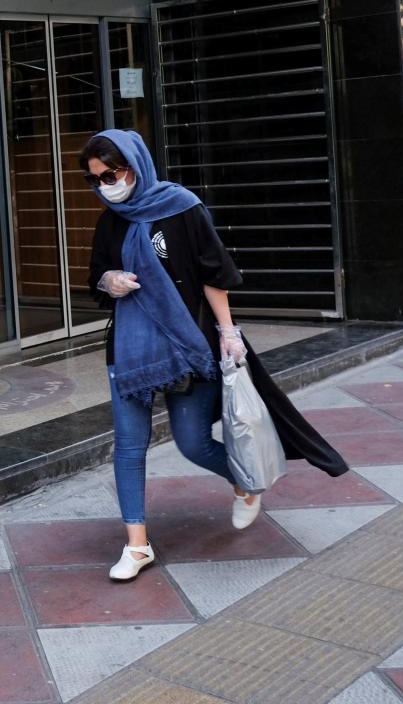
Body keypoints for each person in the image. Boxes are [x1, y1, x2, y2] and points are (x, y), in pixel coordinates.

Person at [82, 129, 348, 581]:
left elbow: (213, 274)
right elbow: (95, 280)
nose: (107, 184)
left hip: (189, 347)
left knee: (192, 442)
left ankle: (246, 482)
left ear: (136, 165)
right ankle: (137, 543)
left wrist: (228, 333)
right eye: (97, 179)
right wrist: (109, 281)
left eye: (112, 173)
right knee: (128, 446)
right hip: (129, 352)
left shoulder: (182, 207)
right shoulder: (111, 221)